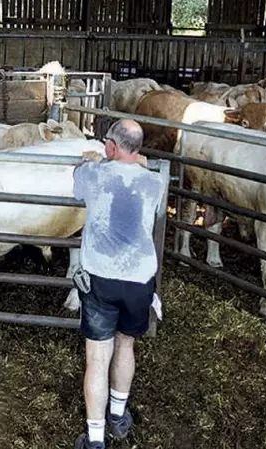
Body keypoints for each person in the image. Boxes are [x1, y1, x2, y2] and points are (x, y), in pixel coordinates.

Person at [71, 119, 165, 449]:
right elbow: (139, 172)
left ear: (111, 146)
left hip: (101, 278)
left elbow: (78, 188)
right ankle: (118, 417)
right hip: (140, 279)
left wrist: (89, 160)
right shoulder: (154, 182)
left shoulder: (94, 174)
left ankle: (95, 439)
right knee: (126, 345)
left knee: (97, 358)